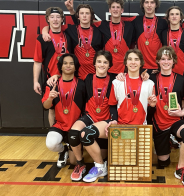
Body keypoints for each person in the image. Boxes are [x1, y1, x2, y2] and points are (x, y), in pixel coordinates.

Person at [79, 49, 156, 182]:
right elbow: (113, 105)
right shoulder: (117, 82)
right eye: (130, 59)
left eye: (136, 59)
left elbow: (152, 108)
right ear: (125, 62)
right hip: (119, 126)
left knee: (135, 172)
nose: (133, 62)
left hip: (139, 129)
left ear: (141, 63)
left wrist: (153, 105)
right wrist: (114, 121)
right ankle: (100, 166)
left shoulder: (149, 83)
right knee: (86, 134)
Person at [149, 46, 184, 188]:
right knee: (163, 162)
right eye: (163, 59)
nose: (166, 61)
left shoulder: (181, 79)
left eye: (169, 59)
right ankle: (169, 140)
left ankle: (180, 169)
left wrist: (182, 113)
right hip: (158, 123)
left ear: (174, 61)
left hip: (175, 120)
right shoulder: (150, 78)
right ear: (158, 61)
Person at [67, 50, 115, 181]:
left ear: (110, 65)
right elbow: (69, 75)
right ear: (94, 63)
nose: (102, 64)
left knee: (103, 155)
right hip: (90, 116)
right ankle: (80, 164)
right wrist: (54, 76)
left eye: (105, 62)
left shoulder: (115, 79)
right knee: (73, 133)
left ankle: (100, 165)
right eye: (99, 61)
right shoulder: (87, 78)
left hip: (105, 119)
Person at [42, 54, 85, 168]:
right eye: (65, 63)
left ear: (75, 67)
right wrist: (50, 98)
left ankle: (74, 147)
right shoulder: (52, 84)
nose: (68, 66)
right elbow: (45, 107)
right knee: (51, 144)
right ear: (60, 66)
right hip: (60, 125)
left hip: (76, 126)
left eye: (71, 63)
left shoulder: (82, 84)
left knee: (73, 162)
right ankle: (63, 150)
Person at [34, 7, 73, 126]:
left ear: (62, 19)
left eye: (58, 17)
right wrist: (35, 81)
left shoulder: (68, 34)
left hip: (68, 77)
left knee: (69, 107)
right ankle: (53, 132)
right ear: (48, 19)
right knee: (52, 109)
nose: (55, 20)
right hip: (51, 79)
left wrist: (45, 30)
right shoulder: (42, 38)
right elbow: (37, 61)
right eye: (52, 17)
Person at [43, 2, 102, 80]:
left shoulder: (99, 31)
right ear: (78, 16)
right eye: (82, 13)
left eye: (87, 13)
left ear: (91, 16)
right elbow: (53, 26)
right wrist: (44, 32)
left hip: (94, 74)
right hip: (77, 75)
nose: (84, 15)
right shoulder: (71, 29)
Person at [132, 0, 168, 74]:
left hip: (157, 67)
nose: (149, 5)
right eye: (146, 2)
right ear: (143, 5)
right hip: (141, 67)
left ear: (156, 5)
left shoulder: (163, 22)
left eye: (152, 2)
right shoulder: (136, 21)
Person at [162, 6, 184, 77]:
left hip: (182, 70)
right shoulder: (163, 33)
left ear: (181, 17)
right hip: (166, 69)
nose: (174, 16)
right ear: (168, 18)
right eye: (172, 14)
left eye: (177, 14)